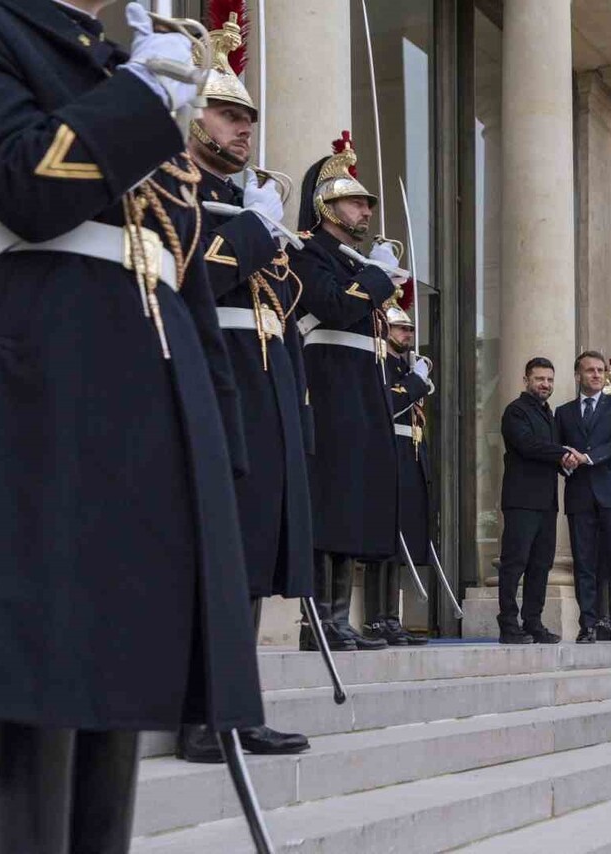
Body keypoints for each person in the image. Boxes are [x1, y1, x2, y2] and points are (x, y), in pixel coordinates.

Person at [0, 2, 263, 850]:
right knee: (41, 673)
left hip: (150, 385)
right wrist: (142, 96)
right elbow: (28, 184)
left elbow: (175, 262)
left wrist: (218, 430)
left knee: (120, 672)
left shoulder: (113, 61)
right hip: (48, 378)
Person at [178, 0, 311, 764]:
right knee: (215, 553)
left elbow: (287, 295)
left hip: (263, 384)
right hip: (215, 369)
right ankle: (200, 714)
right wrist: (257, 231)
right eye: (228, 114)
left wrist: (263, 230)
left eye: (248, 118)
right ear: (196, 117)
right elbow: (202, 273)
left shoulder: (244, 198)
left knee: (253, 556)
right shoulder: (178, 185)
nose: (243, 129)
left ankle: (236, 705)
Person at [292, 131, 415, 652]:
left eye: (366, 203)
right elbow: (334, 307)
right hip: (327, 388)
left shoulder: (353, 263)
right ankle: (315, 620)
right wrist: (380, 280)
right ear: (325, 203)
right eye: (355, 201)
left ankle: (340, 618)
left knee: (352, 505)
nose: (365, 211)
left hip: (360, 392)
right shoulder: (308, 253)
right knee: (329, 506)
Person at [362, 300, 432, 646]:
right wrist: (417, 384)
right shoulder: (379, 363)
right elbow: (385, 405)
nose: (408, 334)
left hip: (408, 457)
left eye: (409, 329)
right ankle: (376, 620)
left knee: (400, 544)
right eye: (401, 328)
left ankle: (391, 617)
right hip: (387, 453)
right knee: (385, 545)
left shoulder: (405, 368)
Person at [556, 351, 611, 644]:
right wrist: (565, 462)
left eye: (600, 370)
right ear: (577, 375)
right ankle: (587, 624)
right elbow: (558, 449)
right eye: (589, 370)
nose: (595, 375)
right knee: (584, 563)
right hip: (579, 495)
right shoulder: (563, 412)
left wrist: (588, 457)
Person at [496, 357, 573, 644]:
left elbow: (550, 455)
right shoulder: (515, 411)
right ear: (526, 380)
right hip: (521, 500)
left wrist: (566, 462)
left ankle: (533, 622)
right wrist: (562, 452)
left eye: (550, 380)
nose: (545, 384)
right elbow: (527, 445)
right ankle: (508, 624)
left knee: (541, 565)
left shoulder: (548, 415)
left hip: (546, 502)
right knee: (514, 564)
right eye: (540, 379)